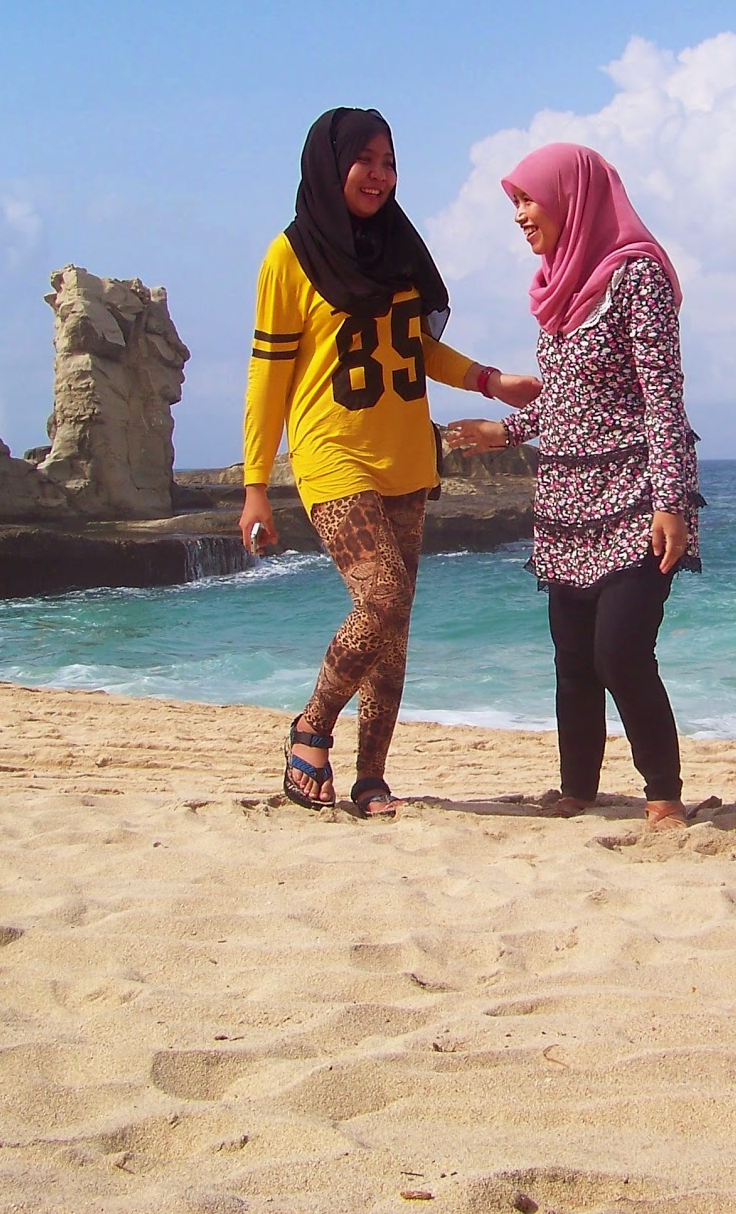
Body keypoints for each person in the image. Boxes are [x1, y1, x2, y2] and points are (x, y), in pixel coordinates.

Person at [242, 106, 538, 817]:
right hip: (331, 452)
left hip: (407, 455)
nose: (379, 176)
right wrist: (255, 486)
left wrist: (487, 380)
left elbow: (416, 345)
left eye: (389, 163)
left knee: (394, 629)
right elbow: (268, 376)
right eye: (365, 160)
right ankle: (311, 729)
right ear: (329, 163)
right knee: (379, 599)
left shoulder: (399, 247)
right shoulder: (288, 257)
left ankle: (371, 776)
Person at [445, 142, 702, 831]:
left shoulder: (638, 275)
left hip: (634, 491)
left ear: (573, 197)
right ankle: (578, 789)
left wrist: (671, 502)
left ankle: (664, 793)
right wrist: (503, 432)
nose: (520, 215)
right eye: (515, 203)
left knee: (620, 652)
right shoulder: (558, 286)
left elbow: (661, 395)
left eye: (529, 199)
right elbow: (569, 399)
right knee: (573, 660)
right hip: (565, 499)